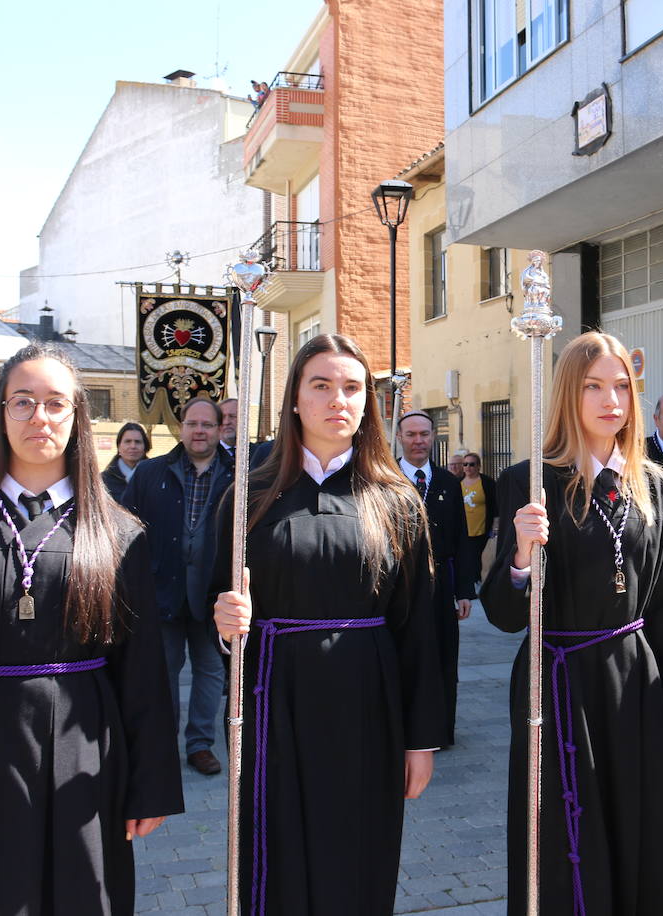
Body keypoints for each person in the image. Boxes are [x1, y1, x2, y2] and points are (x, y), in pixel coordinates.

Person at [0, 342, 182, 913]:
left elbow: (144, 668)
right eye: (22, 402)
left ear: (77, 417)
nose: (39, 418)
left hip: (83, 735)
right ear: (0, 413)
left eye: (55, 404)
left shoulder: (120, 530)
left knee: (79, 888)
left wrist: (150, 781)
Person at [212, 333, 444, 915]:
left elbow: (419, 630)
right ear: (294, 398)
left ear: (369, 403)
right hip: (274, 703)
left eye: (351, 387)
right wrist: (225, 625)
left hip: (368, 704)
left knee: (359, 852)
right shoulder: (250, 497)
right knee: (277, 853)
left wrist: (421, 738)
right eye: (321, 385)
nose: (337, 399)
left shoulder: (395, 501)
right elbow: (217, 607)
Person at [481, 331, 663, 915]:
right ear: (567, 393)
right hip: (555, 685)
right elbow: (504, 616)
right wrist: (520, 558)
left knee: (637, 838)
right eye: (593, 387)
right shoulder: (530, 483)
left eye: (621, 388)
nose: (611, 400)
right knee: (562, 843)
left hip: (634, 683)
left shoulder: (655, 487)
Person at [122, 399, 230, 776]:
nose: (199, 431)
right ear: (180, 428)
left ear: (220, 429)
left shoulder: (238, 474)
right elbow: (124, 529)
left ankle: (200, 744)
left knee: (211, 671)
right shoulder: (152, 473)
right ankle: (163, 743)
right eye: (191, 423)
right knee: (163, 671)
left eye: (207, 424)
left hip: (213, 595)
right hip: (162, 591)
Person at [398, 410, 475, 748]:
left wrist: (464, 591)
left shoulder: (447, 482)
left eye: (424, 434)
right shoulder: (386, 478)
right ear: (400, 437)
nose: (418, 441)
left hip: (441, 583)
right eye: (412, 434)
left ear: (433, 437)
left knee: (444, 654)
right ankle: (401, 728)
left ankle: (442, 729)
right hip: (399, 583)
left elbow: (462, 538)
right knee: (403, 653)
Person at [459, 451, 497, 586]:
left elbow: (495, 505)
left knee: (479, 557)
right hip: (463, 529)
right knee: (466, 558)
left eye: (471, 464)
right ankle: (470, 583)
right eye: (465, 464)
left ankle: (480, 581)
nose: (468, 467)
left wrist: (495, 526)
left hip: (482, 528)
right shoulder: (458, 483)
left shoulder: (487, 482)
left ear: (478, 466)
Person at [103, 421, 151, 502]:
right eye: (128, 441)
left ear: (145, 447)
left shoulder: (156, 477)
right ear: (118, 446)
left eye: (138, 442)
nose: (133, 446)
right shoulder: (103, 480)